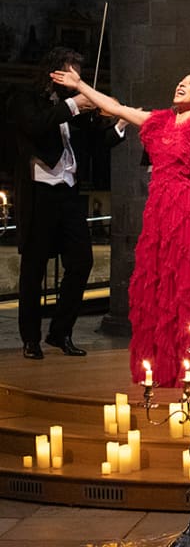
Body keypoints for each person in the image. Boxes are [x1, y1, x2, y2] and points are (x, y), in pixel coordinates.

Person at [50, 40, 190, 387]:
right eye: (181, 80)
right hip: (159, 209)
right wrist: (80, 86)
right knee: (160, 283)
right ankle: (163, 361)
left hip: (189, 209)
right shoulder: (159, 121)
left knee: (189, 285)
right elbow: (115, 109)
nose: (182, 84)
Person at [10, 47, 126, 360]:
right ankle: (31, 339)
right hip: (39, 193)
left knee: (82, 262)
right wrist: (75, 103)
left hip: (69, 194)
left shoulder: (73, 108)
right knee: (33, 270)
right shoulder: (26, 99)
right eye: (73, 72)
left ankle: (60, 332)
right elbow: (36, 125)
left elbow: (99, 140)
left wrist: (120, 122)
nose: (78, 79)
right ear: (55, 72)